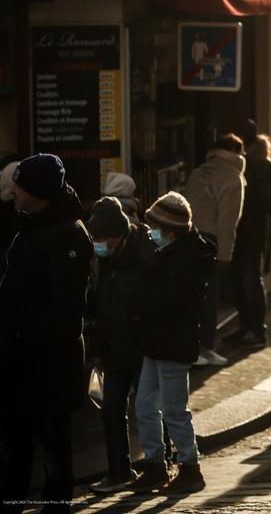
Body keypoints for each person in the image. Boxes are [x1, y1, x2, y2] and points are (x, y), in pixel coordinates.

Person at [0, 154, 91, 513]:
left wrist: (21, 336)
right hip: (17, 360)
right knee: (15, 444)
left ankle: (55, 507)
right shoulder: (26, 223)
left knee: (53, 444)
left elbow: (67, 311)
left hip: (49, 363)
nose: (13, 192)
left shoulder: (68, 234)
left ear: (38, 191)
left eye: (20, 187)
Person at [127, 192, 215, 496]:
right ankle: (155, 464)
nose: (151, 232)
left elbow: (168, 300)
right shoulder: (168, 253)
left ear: (171, 229)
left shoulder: (186, 259)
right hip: (156, 341)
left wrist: (141, 307)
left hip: (173, 343)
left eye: (155, 227)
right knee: (144, 406)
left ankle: (189, 466)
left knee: (174, 408)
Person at [85, 197, 156, 493]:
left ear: (117, 235)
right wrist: (99, 350)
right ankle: (119, 471)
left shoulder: (146, 252)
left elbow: (156, 300)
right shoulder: (103, 260)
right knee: (111, 407)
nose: (98, 244)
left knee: (148, 409)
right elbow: (101, 306)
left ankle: (158, 466)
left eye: (102, 238)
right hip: (114, 348)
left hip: (143, 347)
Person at [183, 133, 247, 367]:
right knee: (209, 296)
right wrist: (225, 255)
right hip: (211, 240)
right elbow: (227, 221)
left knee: (191, 295)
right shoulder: (233, 177)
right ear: (237, 153)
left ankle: (194, 346)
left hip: (189, 237)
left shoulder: (197, 172)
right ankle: (205, 348)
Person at [226, 134, 271, 349]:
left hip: (252, 234)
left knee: (251, 281)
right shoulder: (242, 169)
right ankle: (246, 328)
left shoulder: (265, 170)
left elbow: (266, 203)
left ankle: (256, 330)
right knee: (238, 282)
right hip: (239, 233)